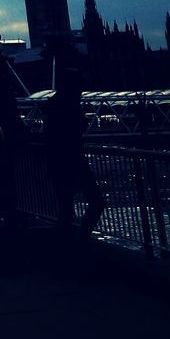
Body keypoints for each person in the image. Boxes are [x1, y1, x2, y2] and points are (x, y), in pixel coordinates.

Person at [42, 68, 104, 236]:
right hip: (74, 161)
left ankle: (71, 241)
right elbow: (77, 130)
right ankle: (81, 236)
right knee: (96, 202)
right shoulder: (69, 105)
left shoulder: (51, 105)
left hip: (57, 162)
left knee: (65, 207)